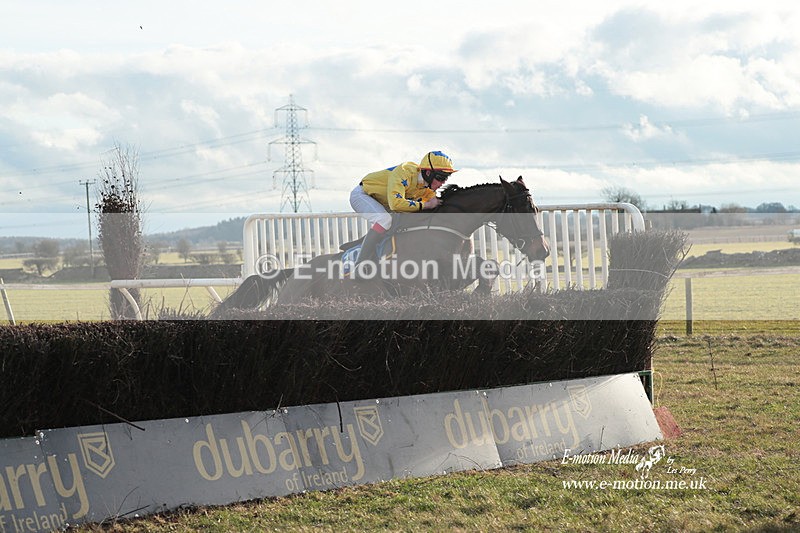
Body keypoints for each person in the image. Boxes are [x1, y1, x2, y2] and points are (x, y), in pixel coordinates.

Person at [349, 150, 457, 270]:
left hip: (384, 201)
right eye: (441, 178)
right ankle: (360, 264)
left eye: (446, 178)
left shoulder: (427, 188)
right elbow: (396, 204)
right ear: (428, 173)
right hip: (363, 195)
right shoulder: (405, 171)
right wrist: (425, 205)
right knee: (384, 220)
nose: (443, 183)